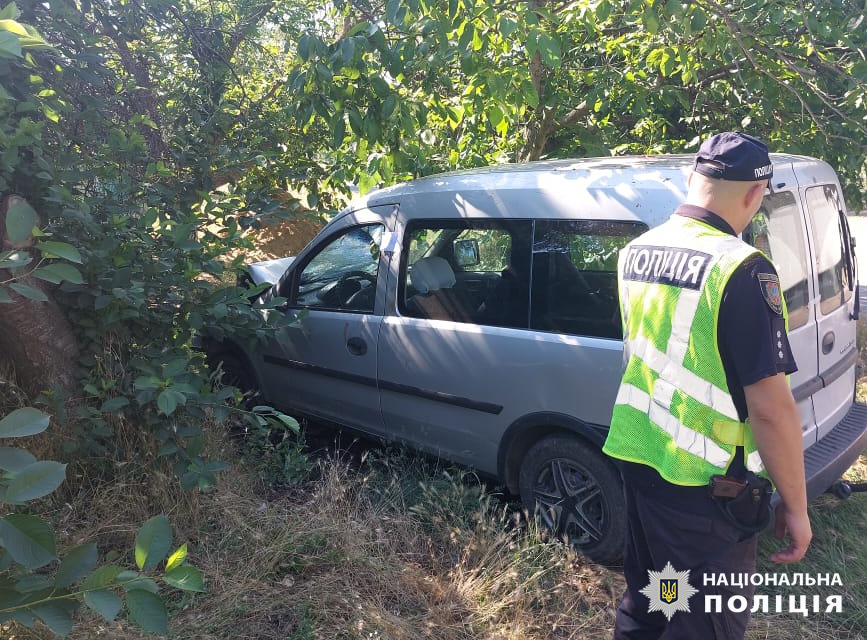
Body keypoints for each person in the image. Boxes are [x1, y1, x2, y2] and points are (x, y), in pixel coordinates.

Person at [603, 132, 812, 639]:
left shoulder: (637, 251)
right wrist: (797, 507)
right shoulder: (741, 269)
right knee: (705, 626)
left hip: (642, 465)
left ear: (693, 181)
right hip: (706, 493)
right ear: (753, 194)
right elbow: (771, 410)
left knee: (655, 600)